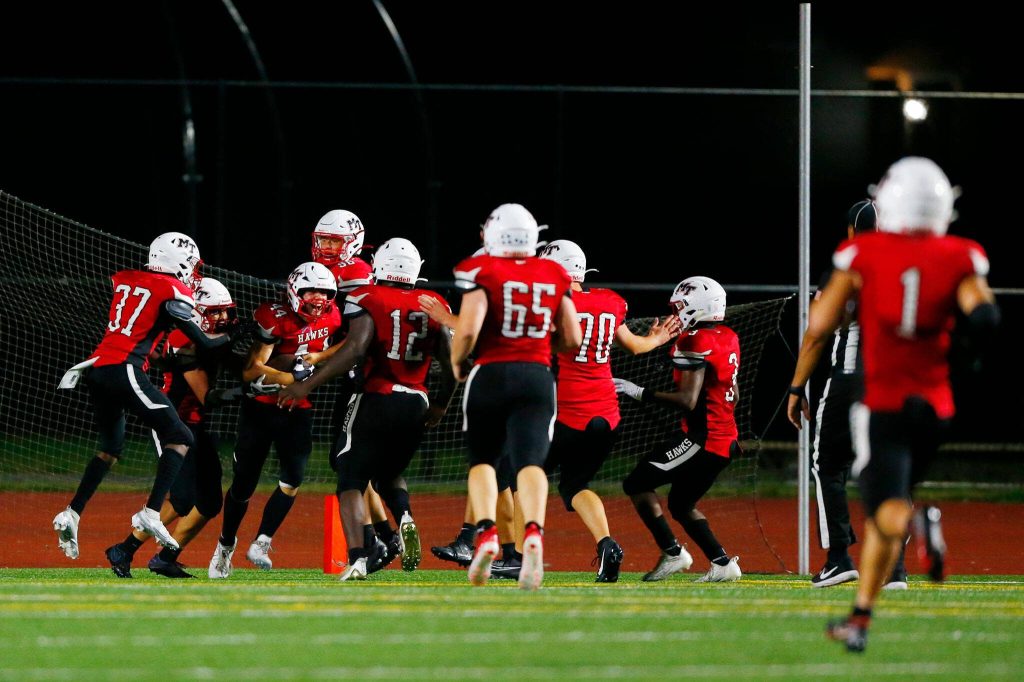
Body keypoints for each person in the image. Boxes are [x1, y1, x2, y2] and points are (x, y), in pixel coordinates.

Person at [787, 157, 998, 652]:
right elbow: (985, 318)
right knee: (894, 496)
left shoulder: (862, 254)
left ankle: (896, 535)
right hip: (935, 401)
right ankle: (860, 617)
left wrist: (797, 385)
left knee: (876, 501)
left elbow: (820, 326)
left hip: (877, 397)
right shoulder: (961, 254)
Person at [279, 238, 458, 579]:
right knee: (389, 474)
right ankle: (404, 517)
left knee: (350, 479)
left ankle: (359, 557)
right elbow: (450, 363)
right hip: (417, 401)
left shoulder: (367, 296)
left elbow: (356, 349)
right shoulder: (434, 301)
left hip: (376, 396)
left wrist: (307, 383)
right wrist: (441, 404)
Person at [53, 232, 230, 560]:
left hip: (95, 366)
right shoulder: (172, 288)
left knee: (109, 449)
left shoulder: (128, 278)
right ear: (179, 262)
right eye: (190, 265)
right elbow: (203, 341)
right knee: (179, 435)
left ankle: (72, 513)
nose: (193, 272)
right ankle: (150, 512)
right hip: (125, 368)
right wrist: (235, 336)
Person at [451, 203, 582, 590]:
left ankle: (488, 534)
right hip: (538, 376)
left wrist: (459, 362)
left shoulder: (480, 270)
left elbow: (470, 329)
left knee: (484, 462)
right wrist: (540, 344)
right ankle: (534, 534)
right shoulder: (554, 272)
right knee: (531, 464)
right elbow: (572, 338)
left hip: (490, 372)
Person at [539, 239, 680, 582]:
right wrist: (659, 339)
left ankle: (518, 554)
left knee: (521, 477)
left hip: (568, 411)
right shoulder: (609, 301)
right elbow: (634, 345)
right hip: (606, 414)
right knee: (575, 485)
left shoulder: (553, 302)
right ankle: (606, 543)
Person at [208, 261, 341, 578]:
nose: (318, 298)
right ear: (295, 291)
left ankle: (262, 541)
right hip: (261, 406)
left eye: (324, 291)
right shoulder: (274, 317)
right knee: (243, 485)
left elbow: (340, 347)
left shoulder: (334, 317)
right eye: (311, 290)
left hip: (297, 406)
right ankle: (225, 546)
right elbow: (251, 370)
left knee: (293, 478)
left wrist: (315, 363)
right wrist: (287, 376)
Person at [104, 277, 241, 578]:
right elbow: (207, 396)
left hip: (197, 426)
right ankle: (124, 549)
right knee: (182, 499)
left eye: (225, 311)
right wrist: (247, 390)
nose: (223, 319)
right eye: (215, 312)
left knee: (209, 502)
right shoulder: (183, 340)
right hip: (173, 424)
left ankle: (166, 557)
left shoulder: (209, 339)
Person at [613, 276, 743, 583]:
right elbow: (733, 392)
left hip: (705, 439)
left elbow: (687, 400)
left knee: (636, 483)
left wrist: (636, 391)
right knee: (682, 504)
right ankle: (723, 564)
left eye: (681, 307)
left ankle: (673, 553)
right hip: (723, 437)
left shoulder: (694, 341)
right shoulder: (727, 336)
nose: (676, 313)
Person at [311, 209, 400, 566]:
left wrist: (318, 358)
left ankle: (377, 540)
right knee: (351, 462)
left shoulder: (360, 275)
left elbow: (357, 335)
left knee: (348, 461)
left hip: (360, 372)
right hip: (347, 370)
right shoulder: (324, 274)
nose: (327, 247)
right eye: (323, 239)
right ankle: (386, 535)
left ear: (353, 243)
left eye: (335, 240)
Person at [807, 199, 877, 587]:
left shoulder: (849, 263)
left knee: (828, 466)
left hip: (849, 375)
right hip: (893, 378)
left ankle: (838, 556)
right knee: (885, 467)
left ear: (852, 229)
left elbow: (817, 331)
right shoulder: (906, 263)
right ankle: (895, 568)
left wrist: (797, 386)